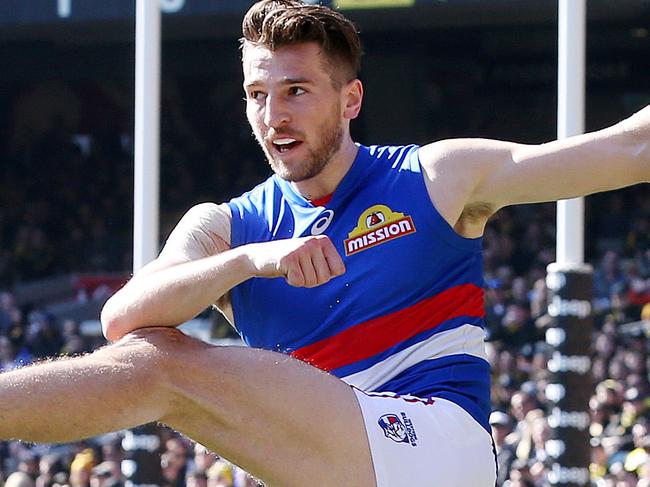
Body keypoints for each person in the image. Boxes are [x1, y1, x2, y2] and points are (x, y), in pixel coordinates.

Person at [1, 1, 649, 485]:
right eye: (258, 94)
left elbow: (628, 147)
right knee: (151, 345)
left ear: (350, 99)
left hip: (435, 445)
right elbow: (123, 317)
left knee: (162, 366)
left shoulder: (435, 176)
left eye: (297, 91)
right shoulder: (228, 225)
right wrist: (252, 260)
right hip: (326, 455)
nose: (274, 116)